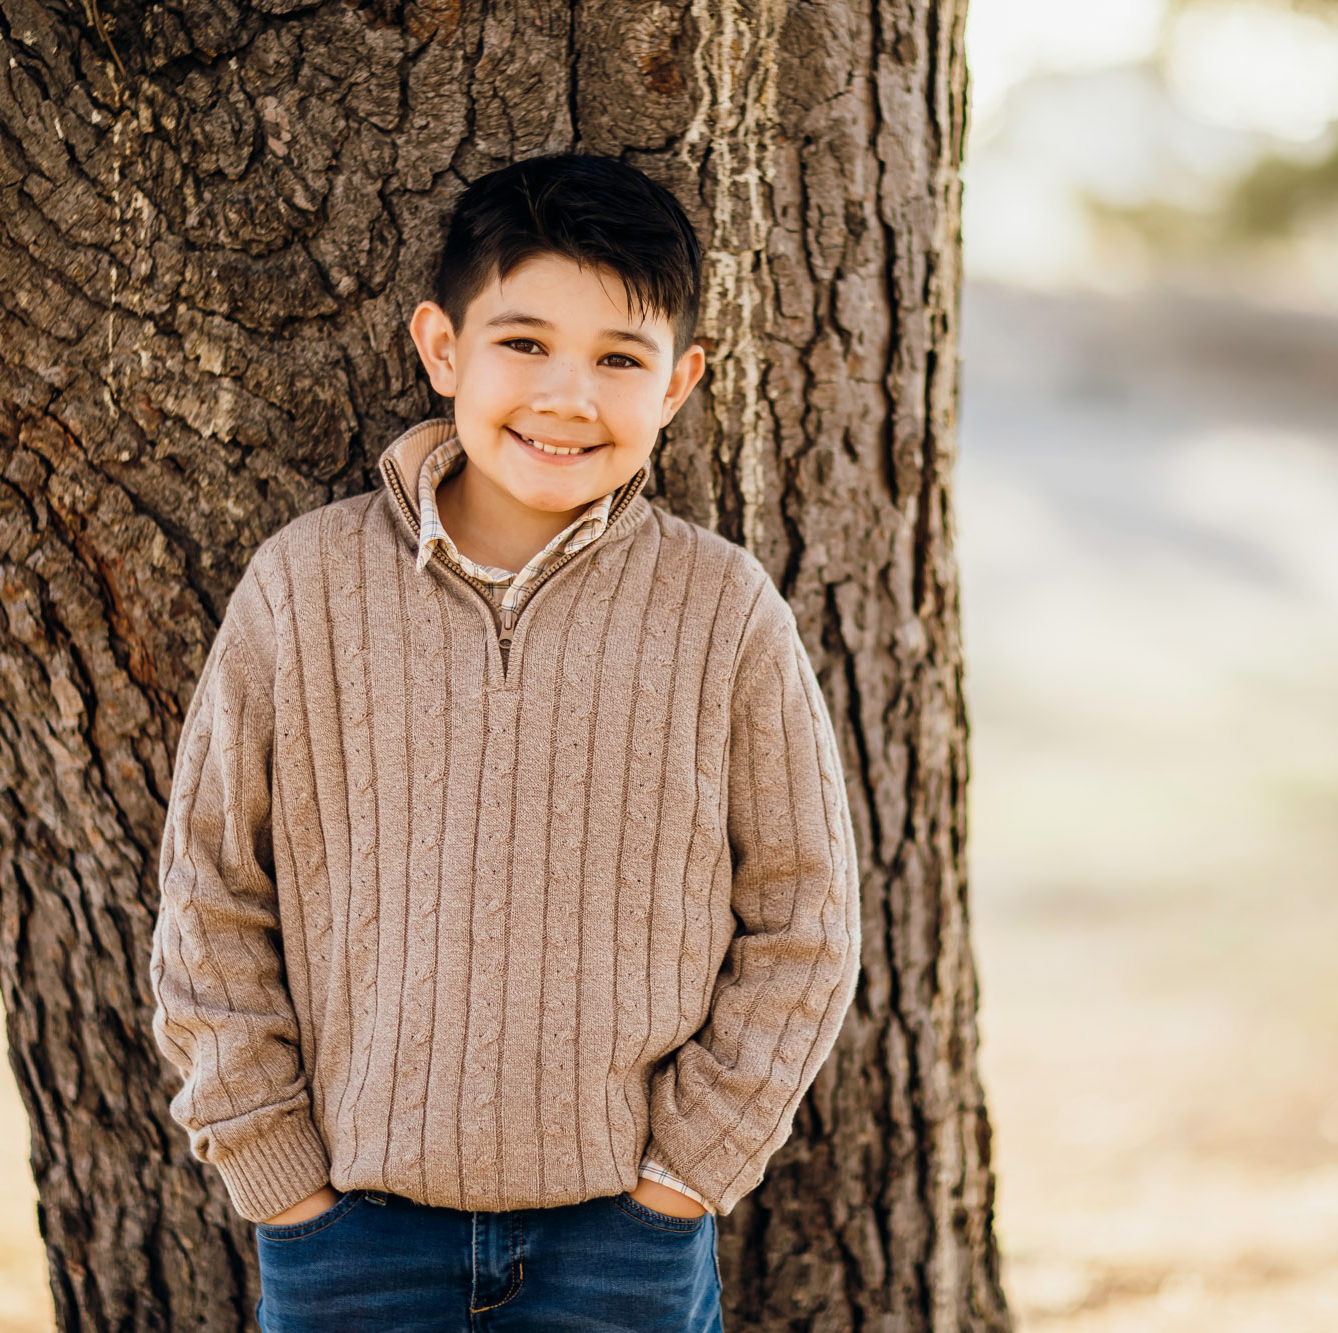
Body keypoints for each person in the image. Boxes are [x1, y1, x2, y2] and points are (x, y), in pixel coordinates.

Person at [148, 152, 861, 1332]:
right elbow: (210, 888)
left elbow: (803, 914)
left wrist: (685, 1174)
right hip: (349, 1239)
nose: (566, 396)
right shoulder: (305, 586)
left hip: (618, 1241)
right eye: (523, 343)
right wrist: (277, 1177)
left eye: (618, 359)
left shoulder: (720, 610)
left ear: (678, 384)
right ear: (441, 349)